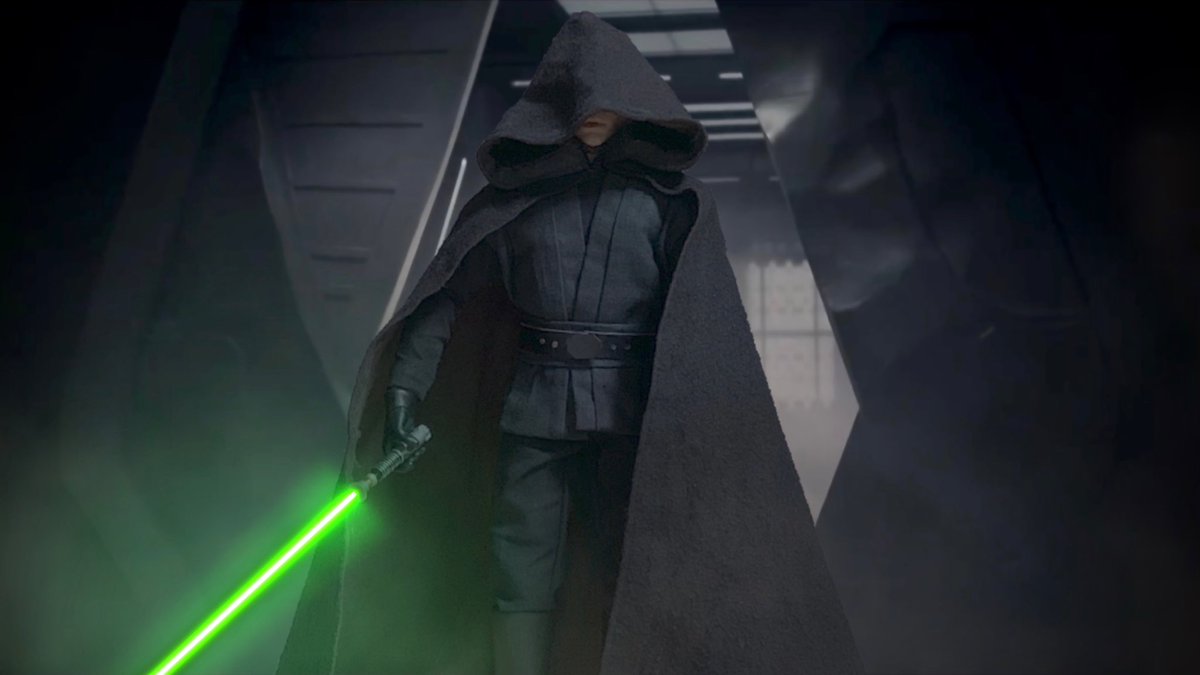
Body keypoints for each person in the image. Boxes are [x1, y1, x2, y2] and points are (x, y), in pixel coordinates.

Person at [278, 12, 861, 675]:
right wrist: (406, 390)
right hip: (535, 406)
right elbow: (444, 302)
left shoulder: (669, 207)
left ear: (633, 104)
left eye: (606, 98)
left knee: (635, 561)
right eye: (578, 98)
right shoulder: (512, 205)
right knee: (519, 563)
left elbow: (705, 326)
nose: (592, 112)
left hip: (634, 416)